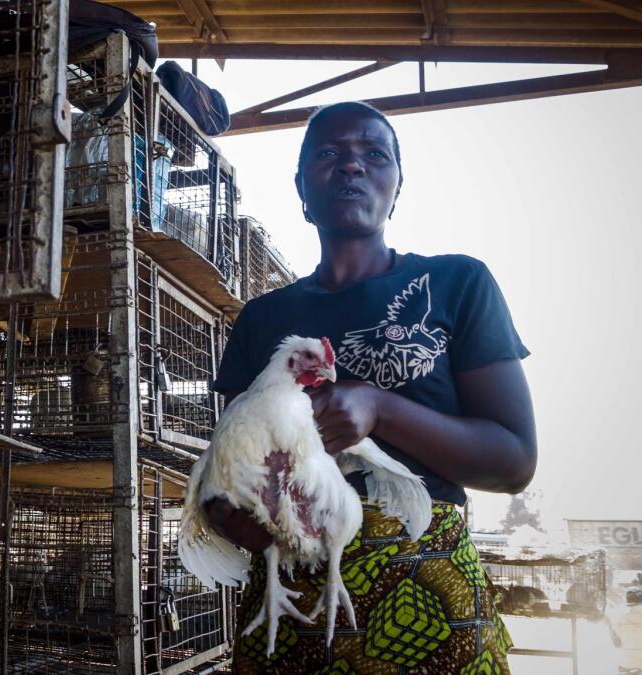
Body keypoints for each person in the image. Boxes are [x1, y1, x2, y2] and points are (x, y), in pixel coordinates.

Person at [209, 101, 536, 673]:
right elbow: (225, 478)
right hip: (296, 594)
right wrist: (241, 516)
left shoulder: (457, 281)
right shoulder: (262, 319)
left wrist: (378, 408)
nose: (352, 166)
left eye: (374, 154)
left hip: (425, 586)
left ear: (396, 185)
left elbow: (513, 463)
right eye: (330, 153)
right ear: (301, 187)